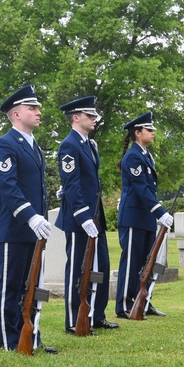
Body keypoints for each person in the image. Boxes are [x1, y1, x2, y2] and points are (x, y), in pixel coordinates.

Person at [0, 85, 57, 354]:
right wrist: (31, 217)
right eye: (33, 108)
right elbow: (9, 187)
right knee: (11, 286)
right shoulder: (5, 144)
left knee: (32, 285)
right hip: (15, 228)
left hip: (34, 228)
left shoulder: (34, 146)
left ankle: (31, 336)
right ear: (16, 113)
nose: (38, 112)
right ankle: (8, 340)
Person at [56, 96, 119, 334]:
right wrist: (84, 217)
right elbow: (71, 185)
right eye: (89, 115)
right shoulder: (69, 145)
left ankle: (97, 314)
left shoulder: (90, 145)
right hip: (78, 218)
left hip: (96, 216)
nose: (94, 119)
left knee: (101, 264)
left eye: (94, 115)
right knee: (78, 268)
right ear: (76, 117)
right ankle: (74, 319)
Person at [115, 111, 173, 318]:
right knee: (131, 262)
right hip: (133, 217)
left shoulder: (147, 156)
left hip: (146, 217)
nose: (153, 133)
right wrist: (160, 211)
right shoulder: (133, 157)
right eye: (149, 130)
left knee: (146, 263)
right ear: (138, 133)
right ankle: (123, 305)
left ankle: (144, 301)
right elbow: (141, 189)